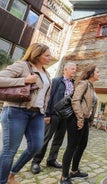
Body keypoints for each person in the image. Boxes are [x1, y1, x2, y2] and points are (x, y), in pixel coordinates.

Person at [0, 43, 52, 184]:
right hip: (16, 111)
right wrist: (24, 80)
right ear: (37, 54)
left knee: (36, 145)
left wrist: (45, 112)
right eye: (47, 55)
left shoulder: (46, 73)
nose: (50, 57)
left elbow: (43, 95)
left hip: (37, 114)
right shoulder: (22, 65)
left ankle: (12, 173)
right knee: (9, 150)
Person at [31, 62, 77, 174]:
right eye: (72, 69)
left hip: (66, 116)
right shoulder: (57, 81)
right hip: (53, 114)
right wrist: (47, 114)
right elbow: (49, 97)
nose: (75, 71)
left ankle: (51, 160)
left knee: (58, 140)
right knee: (45, 138)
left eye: (75, 69)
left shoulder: (74, 83)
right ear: (65, 70)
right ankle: (36, 162)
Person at [60, 64, 99, 184]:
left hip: (85, 120)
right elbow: (75, 100)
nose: (99, 74)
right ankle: (64, 177)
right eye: (97, 72)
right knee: (71, 146)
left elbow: (91, 105)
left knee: (82, 146)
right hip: (76, 119)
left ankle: (74, 170)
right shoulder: (84, 83)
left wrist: (90, 120)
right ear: (91, 73)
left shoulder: (91, 86)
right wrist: (80, 119)